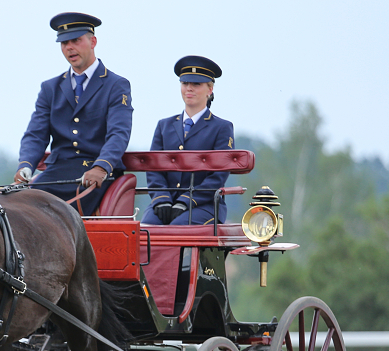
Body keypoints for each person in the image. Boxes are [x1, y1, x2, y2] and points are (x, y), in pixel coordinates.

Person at [14, 12, 133, 215]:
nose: (69, 47)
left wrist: (102, 167)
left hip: (94, 172)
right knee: (21, 207)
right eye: (64, 43)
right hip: (57, 171)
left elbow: (118, 133)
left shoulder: (116, 85)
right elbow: (36, 134)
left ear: (93, 41)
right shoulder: (50, 88)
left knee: (61, 214)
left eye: (76, 41)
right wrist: (25, 165)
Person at [141, 55, 235, 225]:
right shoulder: (164, 126)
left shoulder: (222, 128)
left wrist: (186, 200)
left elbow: (218, 175)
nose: (189, 89)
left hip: (205, 205)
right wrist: (161, 199)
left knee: (178, 229)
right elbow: (153, 168)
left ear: (210, 89)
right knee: (144, 231)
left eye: (196, 84)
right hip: (166, 202)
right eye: (185, 83)